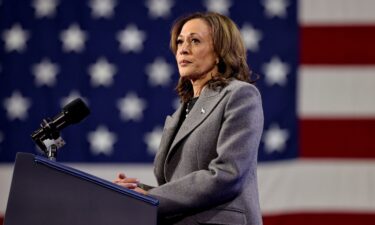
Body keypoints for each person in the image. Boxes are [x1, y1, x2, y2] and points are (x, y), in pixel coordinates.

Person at [114, 12, 264, 225]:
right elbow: (177, 186)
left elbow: (228, 173)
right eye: (180, 42)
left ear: (220, 51)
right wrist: (134, 193)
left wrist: (150, 198)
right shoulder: (182, 112)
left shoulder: (240, 95)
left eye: (195, 41)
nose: (183, 49)